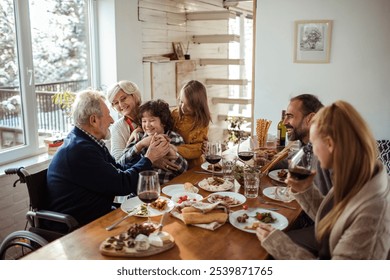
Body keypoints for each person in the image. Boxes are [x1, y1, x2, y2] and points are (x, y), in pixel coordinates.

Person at [256, 100, 390, 259]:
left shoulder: (371, 216)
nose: (312, 151)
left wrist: (282, 247)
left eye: (313, 143)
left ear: (330, 144)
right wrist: (305, 190)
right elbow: (333, 220)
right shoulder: (358, 176)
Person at [46, 90, 170, 228]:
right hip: (82, 226)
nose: (112, 120)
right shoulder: (80, 151)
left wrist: (143, 152)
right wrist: (149, 158)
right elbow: (122, 184)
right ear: (93, 120)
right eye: (108, 115)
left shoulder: (88, 142)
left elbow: (119, 169)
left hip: (99, 214)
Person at [120, 99, 188, 184]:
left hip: (167, 189)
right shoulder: (139, 137)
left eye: (152, 120)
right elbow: (121, 163)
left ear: (163, 122)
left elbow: (184, 170)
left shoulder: (174, 138)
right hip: (141, 190)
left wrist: (169, 148)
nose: (147, 125)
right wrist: (141, 144)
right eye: (144, 121)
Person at [171, 80, 211, 169]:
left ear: (198, 105)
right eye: (181, 102)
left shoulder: (202, 122)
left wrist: (175, 148)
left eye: (188, 105)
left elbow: (198, 149)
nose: (182, 107)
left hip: (193, 166)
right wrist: (138, 128)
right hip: (176, 163)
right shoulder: (174, 114)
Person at [107, 80, 142, 161]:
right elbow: (118, 161)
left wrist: (138, 130)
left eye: (123, 98)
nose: (120, 105)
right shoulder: (117, 127)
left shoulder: (151, 112)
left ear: (134, 95)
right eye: (115, 103)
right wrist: (150, 159)